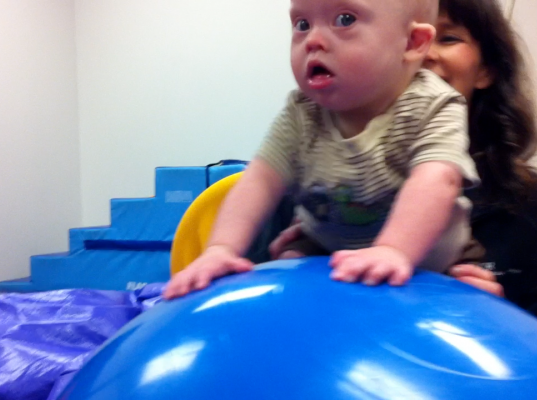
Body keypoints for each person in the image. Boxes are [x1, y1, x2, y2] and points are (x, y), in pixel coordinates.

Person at [268, 0, 537, 356]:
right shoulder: (303, 184)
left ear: (486, 70)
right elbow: (256, 334)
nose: (416, 54)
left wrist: (498, 326)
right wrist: (291, 281)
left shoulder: (536, 208)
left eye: (448, 38)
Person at [164, 0, 481, 300]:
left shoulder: (434, 105)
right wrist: (221, 248)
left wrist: (394, 250)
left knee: (471, 285)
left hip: (432, 255)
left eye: (345, 19)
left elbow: (438, 179)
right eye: (301, 23)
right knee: (287, 261)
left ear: (412, 43)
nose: (313, 40)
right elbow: (260, 180)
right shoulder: (302, 114)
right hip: (326, 243)